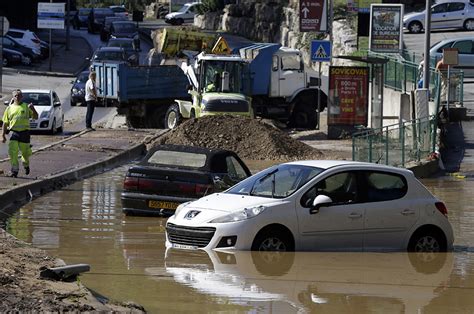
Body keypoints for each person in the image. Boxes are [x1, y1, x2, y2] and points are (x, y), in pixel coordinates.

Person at [1, 89, 38, 177]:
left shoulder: (26, 106)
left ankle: (26, 165)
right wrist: (2, 135)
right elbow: (5, 123)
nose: (17, 97)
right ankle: (14, 171)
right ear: (13, 97)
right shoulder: (9, 109)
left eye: (19, 96)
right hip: (13, 133)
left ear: (22, 97)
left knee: (25, 153)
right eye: (15, 96)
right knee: (13, 152)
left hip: (24, 133)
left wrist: (33, 109)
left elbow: (35, 117)